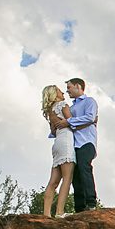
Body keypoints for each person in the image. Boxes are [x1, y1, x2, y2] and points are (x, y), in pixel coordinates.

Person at [54, 77, 99, 210]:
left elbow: (90, 117)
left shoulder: (89, 101)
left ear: (78, 86)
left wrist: (70, 122)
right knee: (75, 175)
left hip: (87, 141)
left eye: (69, 87)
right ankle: (79, 207)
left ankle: (91, 202)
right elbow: (67, 123)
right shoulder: (71, 108)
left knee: (85, 166)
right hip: (73, 144)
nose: (67, 91)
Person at [40, 85, 75, 217]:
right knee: (67, 178)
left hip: (57, 143)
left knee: (53, 181)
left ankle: (46, 214)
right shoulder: (62, 104)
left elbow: (53, 131)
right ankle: (60, 212)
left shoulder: (50, 111)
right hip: (66, 140)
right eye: (60, 91)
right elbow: (73, 121)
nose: (63, 92)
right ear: (55, 94)